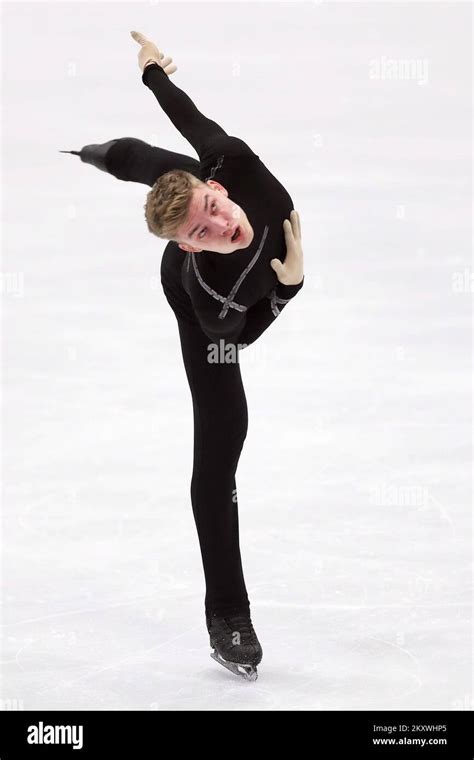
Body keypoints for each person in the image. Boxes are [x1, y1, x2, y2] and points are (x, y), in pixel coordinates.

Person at [62, 31, 304, 680]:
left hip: (194, 175)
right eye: (202, 232)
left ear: (216, 190)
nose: (222, 225)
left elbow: (191, 121)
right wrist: (288, 286)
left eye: (213, 210)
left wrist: (154, 75)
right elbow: (241, 337)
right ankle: (227, 612)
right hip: (210, 319)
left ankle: (100, 153)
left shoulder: (230, 166)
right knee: (221, 452)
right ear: (191, 246)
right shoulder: (206, 282)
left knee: (152, 159)